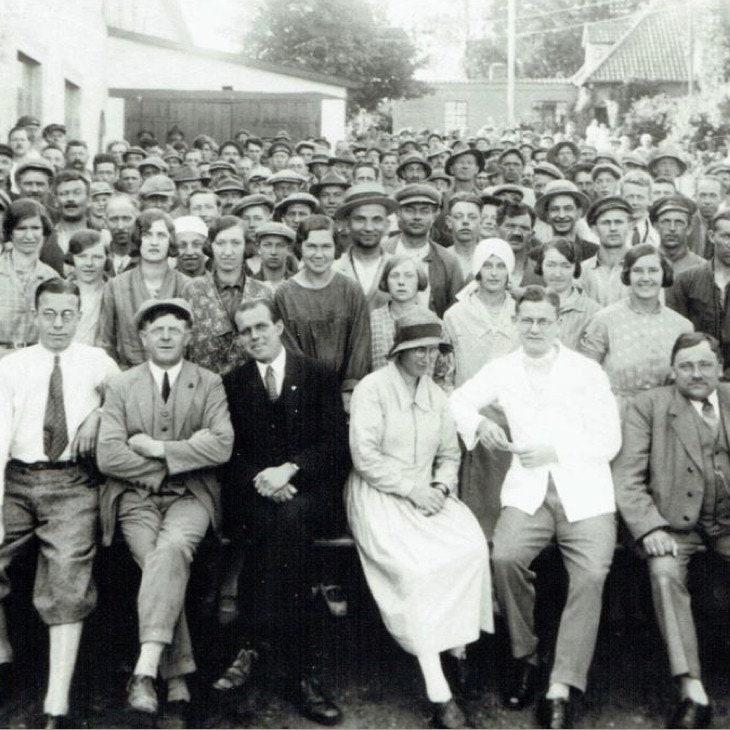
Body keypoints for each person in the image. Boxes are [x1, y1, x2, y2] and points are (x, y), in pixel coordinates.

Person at [449, 285, 621, 729]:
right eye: (527, 320)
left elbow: (609, 439)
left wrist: (556, 450)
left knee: (591, 573)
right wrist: (481, 421)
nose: (535, 328)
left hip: (585, 493)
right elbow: (458, 400)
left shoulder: (586, 372)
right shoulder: (503, 368)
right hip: (528, 491)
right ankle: (526, 656)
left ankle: (561, 684)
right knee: (505, 556)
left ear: (558, 322)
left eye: (544, 320)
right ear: (515, 322)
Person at [347, 308, 493, 729]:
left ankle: (459, 650)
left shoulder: (437, 395)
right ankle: (438, 690)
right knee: (417, 570)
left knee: (469, 549)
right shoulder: (372, 390)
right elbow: (365, 457)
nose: (429, 358)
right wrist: (413, 490)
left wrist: (442, 489)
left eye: (434, 350)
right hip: (379, 494)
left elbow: (449, 455)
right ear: (399, 351)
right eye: (419, 350)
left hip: (429, 494)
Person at [96, 298, 233, 723]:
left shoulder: (208, 382)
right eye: (158, 330)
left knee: (170, 551)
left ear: (189, 336)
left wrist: (160, 449)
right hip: (134, 497)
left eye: (176, 328)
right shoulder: (122, 384)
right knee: (160, 559)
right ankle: (175, 675)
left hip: (192, 495)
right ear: (143, 338)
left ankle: (143, 670)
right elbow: (108, 456)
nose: (167, 336)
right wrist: (170, 464)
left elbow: (222, 444)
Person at [214, 298, 350, 726]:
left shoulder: (317, 374)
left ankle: (252, 645)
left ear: (279, 326)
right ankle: (300, 669)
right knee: (278, 531)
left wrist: (291, 470)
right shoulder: (232, 383)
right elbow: (227, 451)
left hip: (310, 493)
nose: (254, 337)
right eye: (245, 331)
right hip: (254, 496)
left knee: (286, 527)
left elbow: (336, 445)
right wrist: (262, 480)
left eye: (260, 327)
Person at [0, 277, 119, 727]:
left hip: (71, 482)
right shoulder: (12, 366)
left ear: (78, 316)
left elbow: (131, 396)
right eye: (48, 313)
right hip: (15, 479)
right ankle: (3, 652)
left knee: (67, 576)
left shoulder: (96, 361)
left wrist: (101, 413)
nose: (57, 324)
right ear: (35, 314)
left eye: (67, 314)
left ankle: (56, 701)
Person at [613, 332, 727, 729]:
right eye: (686, 366)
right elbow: (627, 479)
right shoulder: (649, 406)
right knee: (663, 575)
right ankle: (691, 688)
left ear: (720, 366)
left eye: (705, 365)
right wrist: (648, 529)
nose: (696, 374)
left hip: (726, 523)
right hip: (673, 527)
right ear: (673, 371)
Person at [443, 239, 519, 539]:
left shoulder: (521, 313)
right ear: (477, 269)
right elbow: (447, 373)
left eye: (501, 265)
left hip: (513, 418)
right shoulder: (455, 315)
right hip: (471, 421)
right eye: (487, 265)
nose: (494, 273)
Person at [580, 244, 693, 419]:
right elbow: (585, 375)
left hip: (665, 417)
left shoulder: (682, 326)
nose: (645, 278)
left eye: (653, 270)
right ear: (627, 275)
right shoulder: (605, 320)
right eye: (638, 271)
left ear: (664, 275)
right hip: (616, 416)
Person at [273, 215, 371, 412]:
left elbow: (360, 342)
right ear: (300, 247)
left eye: (326, 246)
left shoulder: (350, 289)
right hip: (303, 393)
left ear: (335, 249)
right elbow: (288, 347)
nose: (319, 254)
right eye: (312, 246)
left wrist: (349, 390)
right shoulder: (284, 294)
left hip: (345, 397)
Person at [98, 209, 189, 368]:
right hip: (128, 378)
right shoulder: (115, 286)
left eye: (161, 235)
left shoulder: (187, 285)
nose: (154, 242)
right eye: (147, 235)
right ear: (138, 240)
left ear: (170, 241)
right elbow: (105, 343)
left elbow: (194, 343)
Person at [184, 215, 271, 375]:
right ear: (211, 246)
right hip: (204, 387)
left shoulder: (263, 292)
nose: (228, 251)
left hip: (251, 388)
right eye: (221, 243)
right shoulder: (192, 290)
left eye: (236, 243)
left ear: (246, 246)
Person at [666, 210, 730, 377]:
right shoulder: (686, 280)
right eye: (726, 236)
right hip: (697, 373)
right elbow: (675, 331)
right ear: (711, 236)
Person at [384, 185, 465, 317]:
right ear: (398, 213)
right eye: (409, 210)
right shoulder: (382, 253)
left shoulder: (448, 261)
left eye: (424, 211)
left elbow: (456, 311)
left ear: (435, 214)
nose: (417, 217)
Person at [0, 199, 58, 358]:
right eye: (21, 228)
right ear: (10, 232)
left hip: (35, 361)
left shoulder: (51, 278)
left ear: (44, 230)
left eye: (35, 228)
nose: (29, 235)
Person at [332, 182, 396, 310]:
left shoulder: (399, 268)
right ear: (347, 224)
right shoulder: (333, 270)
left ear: (387, 224)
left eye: (377, 219)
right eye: (360, 219)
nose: (368, 228)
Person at [534, 238, 600, 350]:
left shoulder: (593, 312)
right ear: (541, 266)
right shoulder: (529, 304)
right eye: (551, 265)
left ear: (576, 269)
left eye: (566, 266)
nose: (557, 274)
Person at [370, 255, 430, 371]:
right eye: (394, 276)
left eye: (409, 276)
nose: (401, 282)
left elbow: (443, 375)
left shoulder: (433, 321)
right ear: (386, 281)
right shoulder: (372, 321)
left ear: (419, 280)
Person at [580, 197, 633, 306]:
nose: (613, 228)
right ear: (594, 229)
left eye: (618, 222)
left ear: (630, 226)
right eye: (606, 223)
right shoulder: (581, 271)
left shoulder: (642, 268)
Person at [65, 230, 107, 345]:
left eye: (97, 257)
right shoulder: (59, 294)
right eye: (82, 256)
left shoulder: (113, 294)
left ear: (107, 258)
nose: (89, 263)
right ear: (72, 258)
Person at [651, 195, 706, 276]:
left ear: (689, 228)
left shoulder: (703, 268)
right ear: (656, 227)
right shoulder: (644, 262)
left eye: (679, 222)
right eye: (666, 222)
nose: (672, 228)